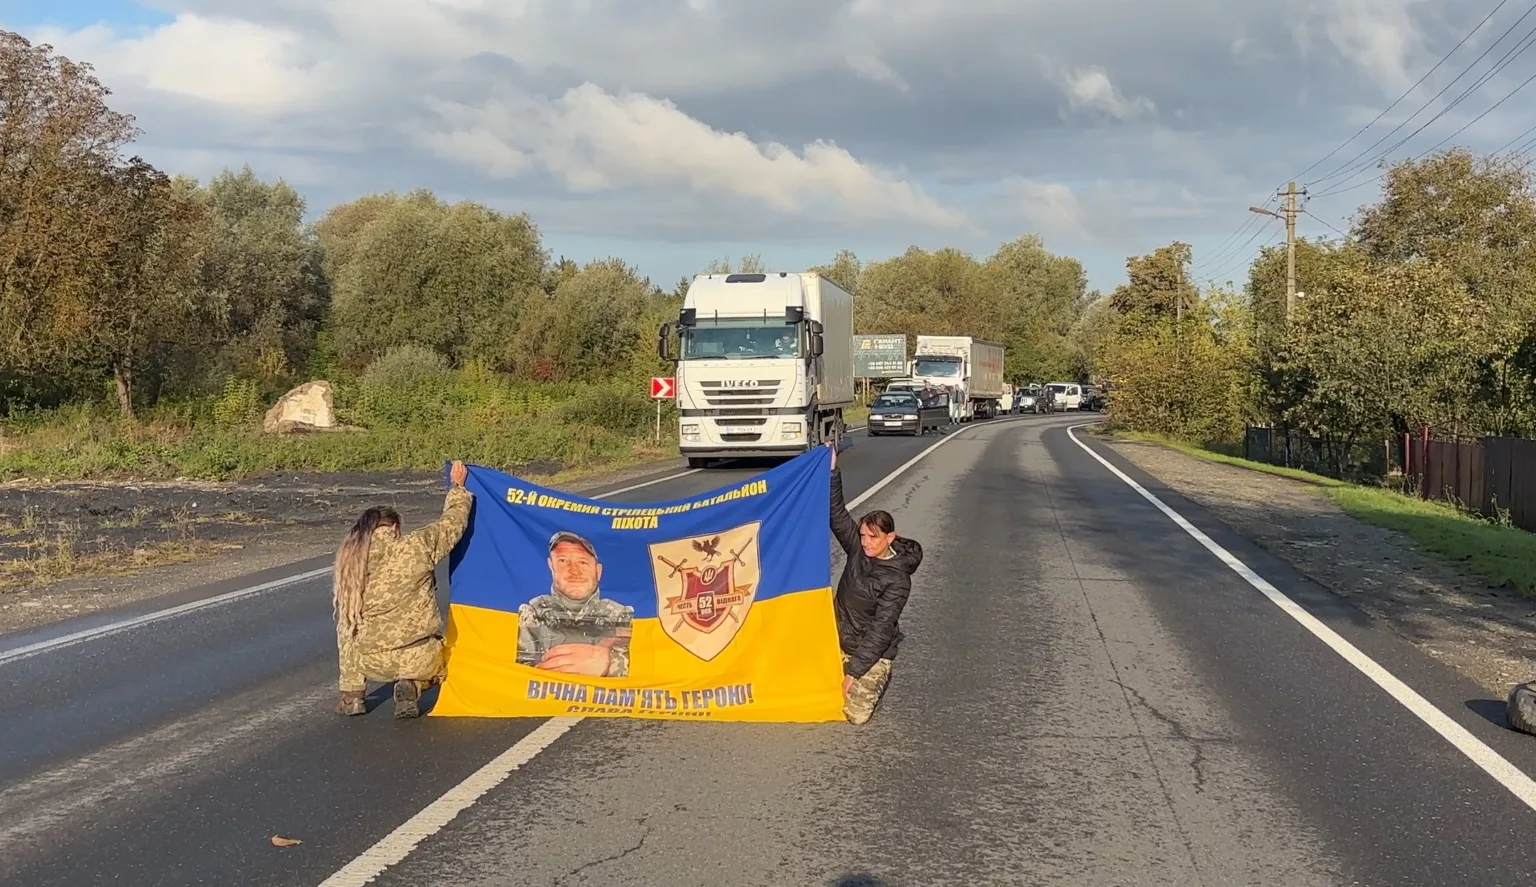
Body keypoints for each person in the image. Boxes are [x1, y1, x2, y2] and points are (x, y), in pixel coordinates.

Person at [333, 460, 473, 719]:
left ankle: (353, 698)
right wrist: (458, 488)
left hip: (370, 662)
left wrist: (350, 684)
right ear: (395, 527)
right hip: (417, 657)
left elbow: (346, 631)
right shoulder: (415, 546)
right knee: (448, 658)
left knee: (347, 621)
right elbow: (452, 524)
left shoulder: (350, 560)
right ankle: (414, 685)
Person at [825, 442, 923, 724]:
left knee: (854, 715)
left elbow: (881, 631)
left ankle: (877, 675)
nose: (866, 543)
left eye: (873, 538)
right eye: (864, 536)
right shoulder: (859, 548)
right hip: (838, 639)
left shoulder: (898, 580)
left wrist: (854, 672)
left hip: (869, 653)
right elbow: (837, 515)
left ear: (890, 538)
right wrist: (833, 471)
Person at [517, 531, 634, 676]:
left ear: (598, 571)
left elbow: (654, 670)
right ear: (551, 566)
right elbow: (507, 678)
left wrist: (611, 663)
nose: (574, 570)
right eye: (563, 561)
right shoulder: (531, 614)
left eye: (582, 562)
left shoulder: (623, 617)